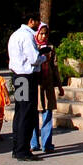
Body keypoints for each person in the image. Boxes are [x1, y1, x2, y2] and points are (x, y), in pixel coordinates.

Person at [7, 12, 41, 161]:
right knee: (27, 113)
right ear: (31, 21)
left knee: (20, 112)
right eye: (37, 21)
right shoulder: (27, 36)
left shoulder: (15, 35)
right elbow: (33, 58)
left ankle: (17, 148)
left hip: (18, 76)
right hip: (27, 77)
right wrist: (44, 56)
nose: (39, 24)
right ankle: (23, 150)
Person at [30, 25, 63, 153]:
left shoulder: (50, 48)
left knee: (47, 114)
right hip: (36, 84)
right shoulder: (32, 46)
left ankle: (46, 144)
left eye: (46, 34)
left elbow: (54, 67)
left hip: (48, 84)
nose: (43, 36)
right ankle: (34, 143)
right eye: (41, 34)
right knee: (33, 114)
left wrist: (59, 85)